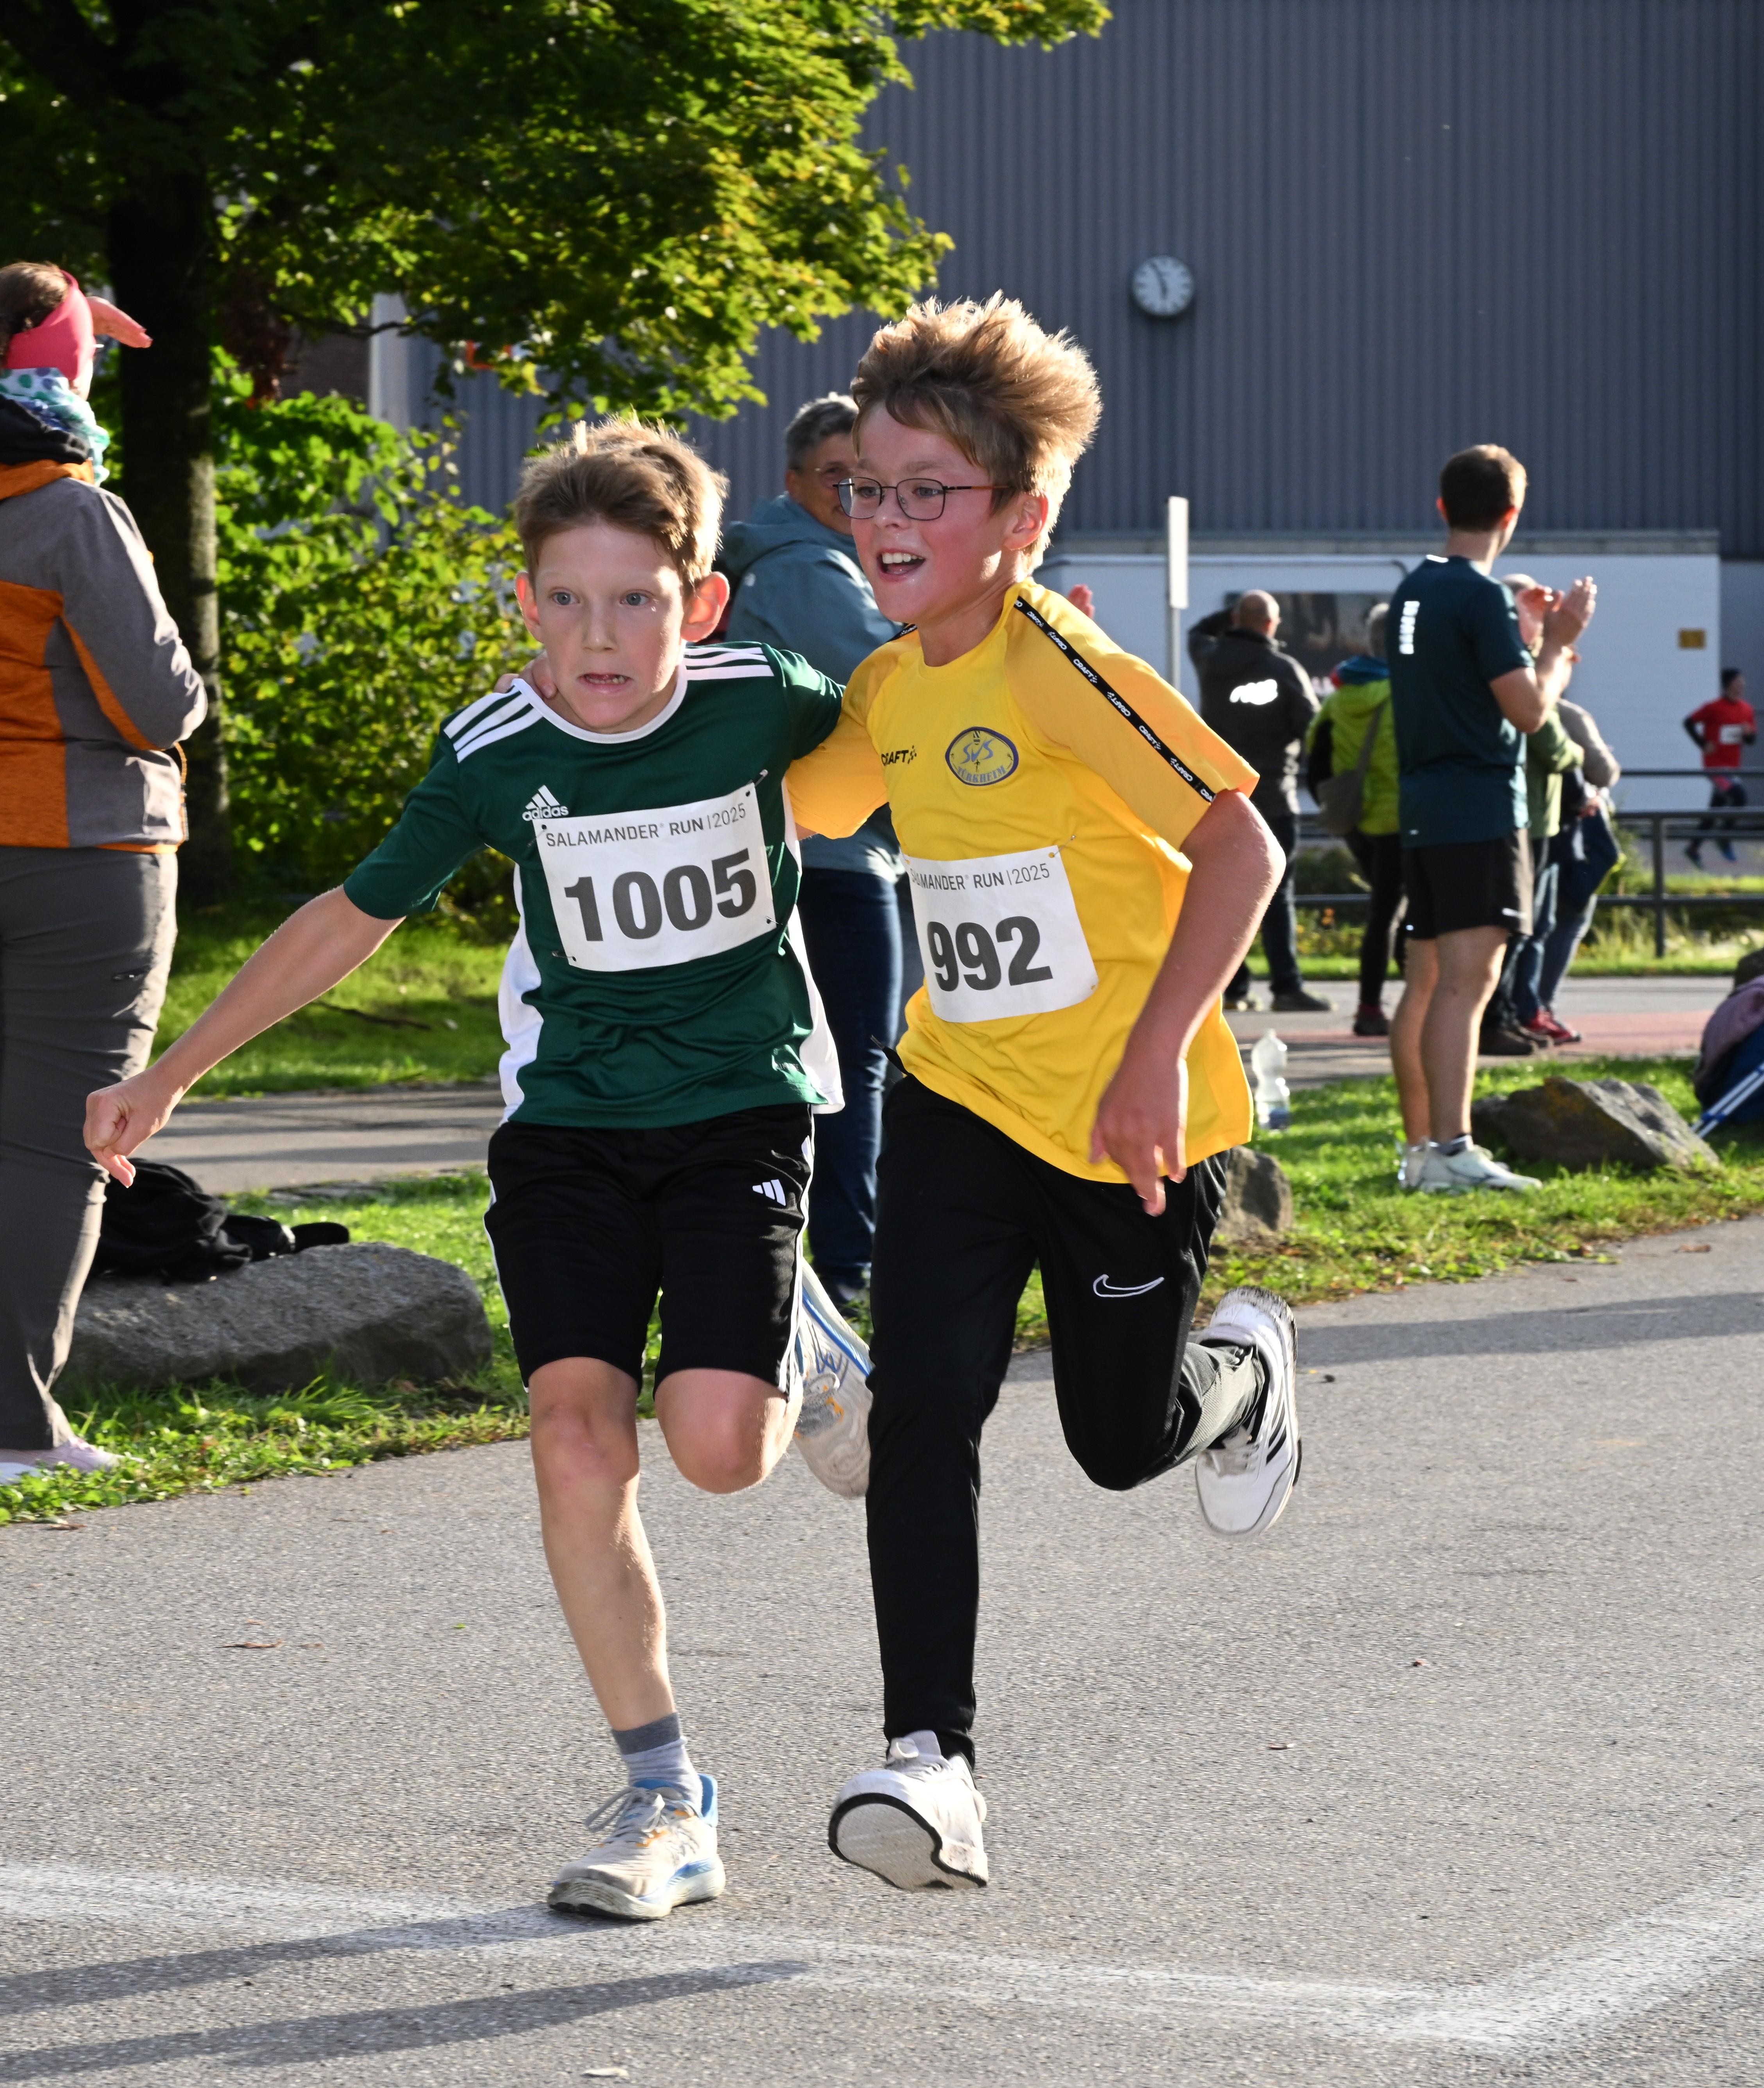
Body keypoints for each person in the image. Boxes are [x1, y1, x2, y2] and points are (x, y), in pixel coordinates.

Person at [88, 418, 871, 1920]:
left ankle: (796, 1332)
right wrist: (170, 1069)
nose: (600, 633)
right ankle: (663, 1793)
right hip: (571, 1127)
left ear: (699, 605)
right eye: (567, 600)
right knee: (576, 1434)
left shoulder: (765, 699)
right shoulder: (493, 751)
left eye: (637, 598)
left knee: (715, 1446)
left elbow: (929, 738)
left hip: (740, 1115)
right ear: (525, 605)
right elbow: (349, 914)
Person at [775, 296, 1303, 1893]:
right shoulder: (890, 689)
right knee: (928, 1417)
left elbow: (1243, 846)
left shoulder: (1062, 663)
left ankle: (1241, 1377)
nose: (887, 520)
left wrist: (1150, 1057)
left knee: (1112, 1441)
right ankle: (930, 1761)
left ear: (1020, 516)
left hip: (1133, 1124)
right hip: (955, 1097)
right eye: (868, 487)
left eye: (927, 490)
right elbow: (791, 803)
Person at [0, 262, 207, 1483]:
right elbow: (160, 696)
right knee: (57, 1149)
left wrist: (70, 333)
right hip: (76, 857)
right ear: (65, 382)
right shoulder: (76, 513)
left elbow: (4, 382)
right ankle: (12, 1427)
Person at [717, 392, 903, 1306]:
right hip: (830, 854)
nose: (853, 494)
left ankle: (807, 1251)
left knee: (818, 1056)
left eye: (864, 479)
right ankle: (844, 1257)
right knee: (856, 1053)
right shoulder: (808, 569)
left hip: (794, 845)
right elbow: (891, 687)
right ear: (791, 482)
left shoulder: (799, 558)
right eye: (836, 476)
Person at [1383, 445, 1594, 1193]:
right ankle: (1453, 1148)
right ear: (1512, 514)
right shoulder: (1479, 597)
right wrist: (1560, 649)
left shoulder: (1414, 592)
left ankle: (1421, 1150)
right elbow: (1530, 713)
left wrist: (1528, 638)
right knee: (1467, 987)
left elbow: (1458, 681)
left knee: (1428, 980)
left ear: (1443, 506)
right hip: (1479, 804)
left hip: (1424, 803)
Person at [1196, 588, 1327, 1011]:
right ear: (1272, 625)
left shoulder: (1209, 658)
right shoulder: (1283, 668)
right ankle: (1286, 987)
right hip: (1272, 797)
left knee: (1221, 895)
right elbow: (1313, 730)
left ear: (1235, 618)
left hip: (1220, 801)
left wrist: (1233, 617)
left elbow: (1199, 630)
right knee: (1277, 895)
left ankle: (1232, 991)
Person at [1484, 572, 1584, 1057]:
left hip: (1530, 813)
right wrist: (1577, 754)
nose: (1540, 618)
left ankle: (1510, 1013)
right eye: (1531, 608)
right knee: (1519, 928)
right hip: (1528, 815)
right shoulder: (1509, 665)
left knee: (1526, 928)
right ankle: (1501, 1016)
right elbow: (1543, 732)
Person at [1304, 620, 1401, 1037]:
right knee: (1395, 914)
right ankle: (1379, 1008)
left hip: (1357, 822)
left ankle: (1371, 1005)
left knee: (1384, 912)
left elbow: (1315, 756)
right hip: (1403, 819)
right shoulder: (1409, 694)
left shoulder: (1340, 696)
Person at [1510, 686, 1621, 1043]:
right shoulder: (1561, 714)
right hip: (1553, 828)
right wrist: (1585, 776)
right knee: (1551, 923)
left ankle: (1519, 1008)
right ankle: (1534, 1008)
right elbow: (1600, 769)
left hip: (1510, 827)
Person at [1683, 666, 1755, 867]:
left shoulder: (1746, 710)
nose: (1743, 685)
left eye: (1743, 681)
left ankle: (1693, 848)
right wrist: (1702, 743)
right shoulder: (1713, 708)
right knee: (1740, 797)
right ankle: (1724, 839)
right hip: (1715, 767)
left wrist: (1748, 734)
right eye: (1739, 681)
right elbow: (1688, 723)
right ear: (1729, 684)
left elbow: (1752, 741)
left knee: (1715, 809)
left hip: (1732, 767)